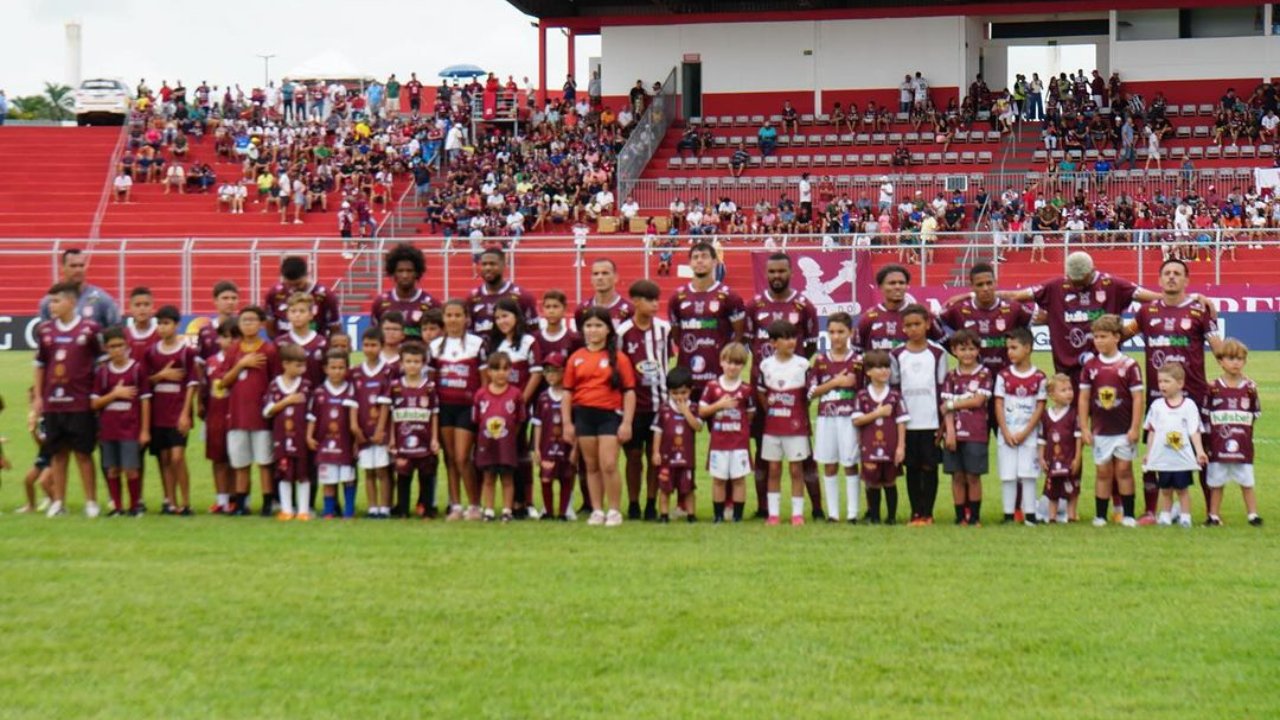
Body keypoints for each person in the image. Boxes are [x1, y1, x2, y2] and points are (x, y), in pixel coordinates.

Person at [1123, 257, 1222, 523]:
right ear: (1159, 279)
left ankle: (1212, 513)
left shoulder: (1200, 311)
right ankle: (1151, 511)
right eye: (1167, 273)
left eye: (1177, 273)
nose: (1171, 277)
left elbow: (1219, 350)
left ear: (1186, 280)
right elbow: (1120, 335)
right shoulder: (1146, 313)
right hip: (1158, 397)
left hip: (1194, 395)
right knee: (1155, 452)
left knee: (1202, 452)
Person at [999, 251, 1159, 386]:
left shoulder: (1112, 284)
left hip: (1105, 370)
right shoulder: (1055, 286)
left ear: (1092, 271)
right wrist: (977, 296)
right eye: (1073, 281)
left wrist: (1129, 331)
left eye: (1082, 282)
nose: (1078, 286)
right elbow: (1015, 296)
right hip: (1067, 373)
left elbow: (1153, 298)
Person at [745, 252, 820, 518]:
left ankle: (818, 508)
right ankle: (764, 508)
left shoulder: (803, 305)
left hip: (794, 392)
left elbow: (811, 343)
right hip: (762, 390)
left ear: (791, 273)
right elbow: (746, 341)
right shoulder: (754, 305)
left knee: (804, 454)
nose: (777, 276)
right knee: (763, 450)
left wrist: (791, 370)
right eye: (772, 272)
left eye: (782, 271)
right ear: (766, 274)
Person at [561, 307, 637, 527]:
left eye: (598, 325)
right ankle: (597, 509)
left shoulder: (619, 359)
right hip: (584, 415)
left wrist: (627, 423)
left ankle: (613, 510)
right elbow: (567, 392)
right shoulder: (576, 358)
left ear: (607, 329)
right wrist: (567, 422)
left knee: (609, 464)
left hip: (609, 416)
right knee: (591, 466)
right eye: (588, 326)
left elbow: (629, 391)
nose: (593, 330)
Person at [34, 282, 103, 517]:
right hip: (53, 402)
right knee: (58, 454)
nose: (51, 305)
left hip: (80, 402)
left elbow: (101, 362)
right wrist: (38, 398)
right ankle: (58, 502)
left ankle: (91, 502)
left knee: (83, 453)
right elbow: (41, 364)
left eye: (56, 301)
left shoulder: (90, 329)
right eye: (50, 301)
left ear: (71, 302)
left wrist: (95, 392)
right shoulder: (45, 331)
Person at [1079, 314, 1144, 527]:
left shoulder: (1129, 365)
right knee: (1103, 472)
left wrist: (1135, 427)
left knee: (1124, 471)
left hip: (1123, 430)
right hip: (1100, 430)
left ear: (1117, 337)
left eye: (1103, 336)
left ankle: (1129, 514)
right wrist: (1084, 427)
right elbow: (1084, 397)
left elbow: (1137, 398)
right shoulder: (1090, 366)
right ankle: (1100, 515)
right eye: (1096, 337)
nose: (1098, 341)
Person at [216, 305, 281, 516]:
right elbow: (223, 382)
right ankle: (242, 504)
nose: (248, 324)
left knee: (264, 462)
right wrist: (241, 364)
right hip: (237, 415)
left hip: (261, 416)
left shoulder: (269, 350)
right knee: (240, 462)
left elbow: (276, 381)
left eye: (253, 320)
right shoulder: (234, 350)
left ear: (261, 324)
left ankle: (267, 503)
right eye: (244, 320)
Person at [615, 280, 671, 521]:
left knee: (655, 456)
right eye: (650, 300)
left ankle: (651, 503)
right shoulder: (623, 333)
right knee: (634, 456)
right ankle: (634, 502)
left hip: (660, 402)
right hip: (634, 405)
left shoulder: (663, 329)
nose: (655, 305)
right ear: (636, 302)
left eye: (657, 299)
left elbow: (668, 359)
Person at [487, 298, 544, 518]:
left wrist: (520, 400)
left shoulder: (529, 341)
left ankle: (526, 501)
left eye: (506, 316)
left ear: (517, 317)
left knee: (521, 454)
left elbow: (536, 373)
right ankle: (508, 503)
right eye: (498, 317)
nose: (502, 321)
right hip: (496, 410)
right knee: (501, 454)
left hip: (519, 409)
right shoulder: (494, 344)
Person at [430, 300, 486, 521]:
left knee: (463, 457)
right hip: (444, 407)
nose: (453, 320)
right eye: (449, 315)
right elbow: (432, 381)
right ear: (443, 318)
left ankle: (474, 504)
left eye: (457, 315)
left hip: (467, 407)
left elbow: (483, 381)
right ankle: (455, 505)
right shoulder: (435, 346)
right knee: (450, 458)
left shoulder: (476, 344)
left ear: (466, 318)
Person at [890, 304, 946, 525]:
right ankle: (916, 512)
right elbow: (894, 390)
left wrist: (942, 424)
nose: (913, 329)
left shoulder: (937, 353)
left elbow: (942, 388)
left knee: (929, 467)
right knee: (912, 468)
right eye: (909, 325)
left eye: (917, 324)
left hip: (930, 420)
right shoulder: (897, 354)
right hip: (908, 422)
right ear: (903, 328)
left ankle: (928, 512)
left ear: (927, 324)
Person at [668, 242, 746, 397]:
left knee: (720, 421)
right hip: (687, 378)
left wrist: (727, 360)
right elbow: (677, 337)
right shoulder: (677, 297)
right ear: (689, 263)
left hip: (719, 377)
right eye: (695, 257)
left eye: (704, 256)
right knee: (687, 421)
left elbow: (739, 335)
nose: (699, 260)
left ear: (715, 261)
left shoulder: (730, 297)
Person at [808, 311, 863, 523]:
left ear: (851, 332)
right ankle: (832, 513)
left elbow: (863, 392)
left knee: (850, 463)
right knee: (829, 464)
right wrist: (835, 382)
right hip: (826, 418)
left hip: (850, 418)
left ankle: (852, 513)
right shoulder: (820, 361)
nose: (836, 337)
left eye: (841, 332)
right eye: (832, 332)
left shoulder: (858, 361)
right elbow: (811, 393)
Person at [756, 321, 813, 526]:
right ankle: (774, 514)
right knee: (773, 469)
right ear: (773, 342)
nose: (791, 342)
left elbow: (808, 395)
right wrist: (772, 410)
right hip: (773, 427)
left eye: (793, 337)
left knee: (796, 469)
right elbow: (762, 392)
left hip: (795, 427)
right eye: (785, 338)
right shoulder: (766, 365)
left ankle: (797, 514)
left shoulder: (803, 364)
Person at [91, 327, 151, 517]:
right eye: (112, 347)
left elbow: (145, 400)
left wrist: (145, 430)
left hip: (130, 428)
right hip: (109, 429)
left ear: (127, 346)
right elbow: (94, 403)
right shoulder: (103, 373)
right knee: (113, 469)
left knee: (131, 469)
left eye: (120, 345)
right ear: (106, 349)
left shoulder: (137, 369)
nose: (116, 350)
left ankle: (134, 506)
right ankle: (117, 507)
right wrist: (114, 394)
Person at [145, 305, 198, 516]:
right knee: (164, 459)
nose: (162, 328)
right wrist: (161, 376)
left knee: (178, 457)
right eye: (159, 323)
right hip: (159, 414)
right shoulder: (151, 352)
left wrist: (186, 413)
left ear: (177, 325)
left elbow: (192, 384)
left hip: (177, 414)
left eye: (166, 323)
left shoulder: (187, 352)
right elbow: (145, 382)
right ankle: (170, 502)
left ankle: (186, 502)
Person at [1202, 339, 1262, 526]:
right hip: (1218, 445)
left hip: (1242, 445)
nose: (1236, 362)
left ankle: (1252, 515)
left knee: (1246, 481)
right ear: (1220, 361)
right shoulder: (1213, 387)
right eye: (1231, 358)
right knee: (1216, 482)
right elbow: (1205, 415)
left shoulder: (1250, 388)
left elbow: (1255, 413)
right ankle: (1213, 515)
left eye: (1240, 359)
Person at [1141, 364, 1207, 528]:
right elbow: (1152, 431)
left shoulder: (1189, 406)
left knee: (1182, 489)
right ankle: (1165, 515)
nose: (1162, 385)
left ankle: (1185, 516)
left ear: (1180, 383)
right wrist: (1148, 453)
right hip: (1163, 457)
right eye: (1160, 381)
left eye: (1167, 381)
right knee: (1165, 489)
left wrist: (1199, 451)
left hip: (1181, 457)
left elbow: (1194, 430)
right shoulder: (1156, 406)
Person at [993, 327, 1046, 525]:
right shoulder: (1004, 376)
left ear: (1028, 348)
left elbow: (1040, 407)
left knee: (1028, 474)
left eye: (1014, 348)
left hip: (1029, 434)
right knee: (1008, 474)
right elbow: (998, 403)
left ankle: (1030, 514)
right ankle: (1008, 514)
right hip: (1007, 433)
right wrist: (1005, 431)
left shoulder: (1039, 377)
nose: (1010, 352)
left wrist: (1026, 431)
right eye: (1008, 348)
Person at [940, 263, 1033, 376]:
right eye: (980, 285)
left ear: (995, 283)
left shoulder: (1014, 309)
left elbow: (1038, 320)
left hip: (1005, 377)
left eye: (989, 283)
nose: (985, 288)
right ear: (972, 286)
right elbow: (935, 324)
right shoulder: (958, 310)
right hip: (972, 378)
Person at [699, 343, 755, 525]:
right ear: (721, 362)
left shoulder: (746, 390)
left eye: (737, 363)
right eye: (729, 362)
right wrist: (719, 406)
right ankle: (718, 516)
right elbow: (702, 411)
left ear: (743, 365)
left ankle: (738, 516)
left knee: (739, 479)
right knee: (719, 480)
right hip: (719, 442)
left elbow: (750, 414)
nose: (732, 367)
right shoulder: (712, 386)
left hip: (739, 443)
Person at [941, 330, 992, 526]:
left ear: (978, 350)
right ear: (954, 351)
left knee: (973, 476)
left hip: (976, 432)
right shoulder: (951, 376)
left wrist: (954, 404)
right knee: (957, 476)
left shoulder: (984, 373)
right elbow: (944, 408)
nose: (968, 353)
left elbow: (978, 400)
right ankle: (960, 516)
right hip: (954, 433)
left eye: (972, 349)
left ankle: (976, 517)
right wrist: (950, 433)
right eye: (963, 349)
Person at [853, 350, 909, 524]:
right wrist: (878, 413)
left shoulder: (894, 395)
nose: (884, 371)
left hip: (890, 447)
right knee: (873, 483)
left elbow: (901, 421)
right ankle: (875, 517)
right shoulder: (862, 395)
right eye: (879, 367)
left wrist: (901, 446)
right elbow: (857, 420)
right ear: (868, 371)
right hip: (869, 447)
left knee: (890, 482)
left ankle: (891, 517)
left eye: (887, 367)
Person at [387, 341, 439, 518]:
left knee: (426, 476)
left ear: (423, 364)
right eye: (408, 361)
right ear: (401, 363)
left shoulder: (430, 387)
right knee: (403, 476)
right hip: (403, 440)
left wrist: (434, 438)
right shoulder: (395, 387)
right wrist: (392, 439)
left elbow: (434, 414)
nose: (412, 365)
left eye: (416, 362)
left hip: (424, 440)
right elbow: (391, 415)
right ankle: (402, 509)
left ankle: (426, 508)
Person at [473, 353, 526, 522]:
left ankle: (506, 510)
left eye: (505, 368)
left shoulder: (516, 394)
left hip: (506, 444)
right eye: (496, 369)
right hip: (486, 443)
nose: (500, 373)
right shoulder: (481, 394)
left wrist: (510, 436)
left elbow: (519, 420)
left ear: (511, 370)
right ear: (488, 372)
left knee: (507, 478)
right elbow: (477, 420)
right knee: (488, 477)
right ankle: (488, 510)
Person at [264, 344, 313, 521]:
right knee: (284, 473)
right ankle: (286, 509)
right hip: (281, 437)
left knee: (302, 474)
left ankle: (303, 510)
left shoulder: (306, 385)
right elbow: (267, 410)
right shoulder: (275, 386)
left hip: (300, 437)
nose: (302, 369)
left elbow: (312, 413)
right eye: (298, 365)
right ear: (285, 364)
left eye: (303, 365)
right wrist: (287, 401)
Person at [309, 350, 359, 519]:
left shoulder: (352, 390)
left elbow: (355, 419)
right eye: (333, 367)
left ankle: (349, 509)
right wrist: (309, 436)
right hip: (325, 443)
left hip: (345, 442)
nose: (337, 371)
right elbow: (312, 417)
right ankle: (328, 510)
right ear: (325, 369)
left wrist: (356, 441)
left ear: (347, 369)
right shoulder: (319, 392)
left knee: (348, 478)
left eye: (341, 368)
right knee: (328, 480)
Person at [652, 367, 703, 523]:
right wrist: (655, 452)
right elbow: (657, 432)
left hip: (687, 457)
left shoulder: (694, 408)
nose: (679, 397)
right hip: (667, 457)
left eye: (683, 392)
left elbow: (698, 427)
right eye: (675, 393)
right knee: (665, 488)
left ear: (690, 390)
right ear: (669, 392)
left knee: (688, 488)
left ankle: (691, 515)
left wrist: (685, 411)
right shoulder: (664, 409)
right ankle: (664, 515)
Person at [856, 264, 945, 353]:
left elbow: (952, 346)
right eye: (892, 283)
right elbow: (855, 355)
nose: (897, 287)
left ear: (907, 286)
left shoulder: (923, 315)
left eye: (901, 283)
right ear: (880, 287)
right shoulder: (868, 318)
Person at [353, 328, 393, 519]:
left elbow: (386, 405)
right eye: (366, 345)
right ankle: (372, 507)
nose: (369, 349)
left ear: (382, 346)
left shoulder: (387, 371)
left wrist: (380, 430)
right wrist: (355, 428)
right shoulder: (356, 372)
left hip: (380, 430)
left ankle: (385, 507)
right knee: (368, 471)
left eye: (374, 345)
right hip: (363, 430)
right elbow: (352, 403)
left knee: (382, 471)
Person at [530, 352, 575, 520]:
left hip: (566, 445)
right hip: (547, 446)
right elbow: (538, 424)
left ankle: (563, 512)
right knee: (546, 478)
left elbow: (576, 425)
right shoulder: (542, 397)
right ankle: (548, 511)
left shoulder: (571, 396)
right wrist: (536, 448)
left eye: (555, 370)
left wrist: (575, 449)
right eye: (547, 371)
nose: (550, 375)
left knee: (566, 478)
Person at [201, 319, 237, 513]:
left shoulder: (242, 360)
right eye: (225, 337)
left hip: (237, 418)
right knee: (218, 459)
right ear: (218, 339)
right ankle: (221, 499)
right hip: (215, 417)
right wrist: (201, 407)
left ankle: (236, 498)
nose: (229, 341)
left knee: (236, 460)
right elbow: (204, 389)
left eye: (233, 337)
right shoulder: (211, 362)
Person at [39, 248, 121, 329]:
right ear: (62, 268)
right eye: (73, 266)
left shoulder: (101, 299)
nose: (78, 270)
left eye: (81, 265)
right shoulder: (50, 302)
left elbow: (116, 332)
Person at [1039, 374, 1082, 523]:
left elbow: (1078, 437)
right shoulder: (1045, 415)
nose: (1069, 393)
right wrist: (1041, 458)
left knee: (1072, 487)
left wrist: (1077, 457)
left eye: (1070, 389)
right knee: (1053, 489)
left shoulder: (1074, 413)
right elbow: (1042, 439)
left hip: (1069, 457)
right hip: (1053, 459)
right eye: (1063, 390)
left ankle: (1071, 515)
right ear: (1052, 395)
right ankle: (1052, 517)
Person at [371, 242, 438, 339]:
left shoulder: (432, 304)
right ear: (393, 273)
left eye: (409, 271)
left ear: (417, 273)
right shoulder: (380, 302)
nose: (405, 275)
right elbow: (375, 337)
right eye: (400, 271)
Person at [263, 255, 341, 337]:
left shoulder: (326, 296)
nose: (294, 288)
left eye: (298, 284)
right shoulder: (274, 294)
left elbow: (335, 326)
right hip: (284, 346)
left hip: (316, 347)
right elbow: (269, 324)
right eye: (289, 284)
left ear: (307, 274)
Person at [468, 248, 539, 334]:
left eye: (492, 264)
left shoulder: (523, 297)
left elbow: (534, 333)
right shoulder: (472, 298)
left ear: (504, 265)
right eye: (484, 264)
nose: (488, 268)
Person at [276, 292, 329, 390]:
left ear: (311, 315)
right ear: (287, 314)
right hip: (288, 399)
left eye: (302, 311)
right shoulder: (280, 343)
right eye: (293, 311)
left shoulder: (322, 342)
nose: (297, 315)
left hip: (315, 399)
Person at [575, 259, 634, 330]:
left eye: (605, 273)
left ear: (616, 277)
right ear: (591, 279)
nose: (600, 277)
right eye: (596, 274)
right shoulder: (582, 309)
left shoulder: (630, 310)